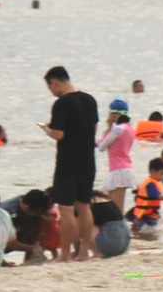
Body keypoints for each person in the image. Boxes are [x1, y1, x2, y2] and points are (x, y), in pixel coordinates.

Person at [42, 66, 99, 262]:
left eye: (50, 88)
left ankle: (65, 253)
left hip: (68, 163)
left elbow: (59, 134)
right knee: (84, 206)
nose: (52, 92)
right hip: (88, 161)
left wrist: (48, 130)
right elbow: (93, 127)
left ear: (55, 82)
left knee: (65, 209)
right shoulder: (89, 100)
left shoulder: (61, 104)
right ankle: (84, 252)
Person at [97, 100, 135, 209]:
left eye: (110, 113)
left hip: (118, 172)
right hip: (123, 170)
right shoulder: (130, 128)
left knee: (117, 211)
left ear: (116, 114)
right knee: (111, 208)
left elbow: (101, 146)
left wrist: (109, 127)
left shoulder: (117, 129)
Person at [89, 192, 132, 257]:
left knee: (85, 223)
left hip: (110, 245)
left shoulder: (85, 204)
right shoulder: (103, 199)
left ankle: (96, 252)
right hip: (125, 244)